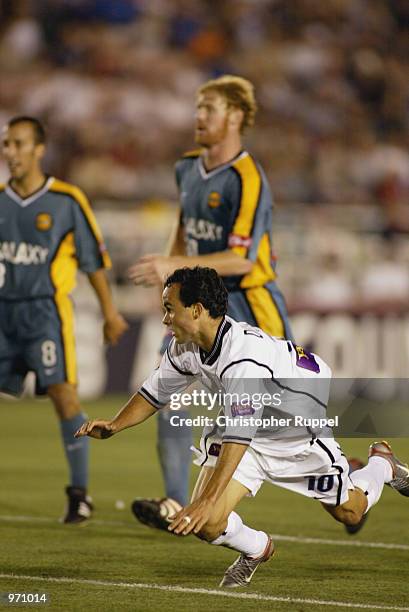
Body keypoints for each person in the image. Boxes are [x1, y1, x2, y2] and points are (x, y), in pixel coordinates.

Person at [75, 267, 409, 588]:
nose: (164, 318)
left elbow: (241, 433)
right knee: (206, 525)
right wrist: (115, 425)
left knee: (350, 512)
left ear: (196, 310)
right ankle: (257, 548)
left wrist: (208, 499)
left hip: (295, 423)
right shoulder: (186, 346)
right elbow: (155, 392)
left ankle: (381, 464)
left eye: (169, 308)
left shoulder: (243, 358)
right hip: (245, 424)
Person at [128, 75, 293, 524]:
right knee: (168, 396)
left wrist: (169, 267)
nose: (199, 117)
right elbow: (184, 229)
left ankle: (367, 474)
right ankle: (177, 501)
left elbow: (241, 258)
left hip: (249, 303)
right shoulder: (186, 167)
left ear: (235, 116)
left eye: (209, 109)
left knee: (293, 425)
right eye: (198, 108)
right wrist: (172, 284)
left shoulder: (247, 176)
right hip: (199, 307)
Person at [0, 116, 128, 523]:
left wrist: (109, 311)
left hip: (45, 315)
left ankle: (79, 494)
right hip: (2, 315)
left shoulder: (67, 200)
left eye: (19, 143)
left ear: (39, 149)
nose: (10, 152)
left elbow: (93, 262)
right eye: (6, 144)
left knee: (64, 396)